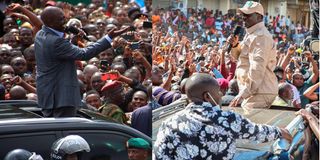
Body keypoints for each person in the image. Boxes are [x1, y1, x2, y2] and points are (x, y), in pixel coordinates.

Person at [154, 73, 292, 160]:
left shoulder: (169, 123)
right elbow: (256, 132)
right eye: (218, 92)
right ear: (207, 96)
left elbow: (160, 156)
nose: (220, 96)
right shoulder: (227, 119)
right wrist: (280, 131)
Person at [34, 6, 129, 117]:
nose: (65, 21)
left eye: (64, 17)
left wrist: (71, 42)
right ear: (50, 23)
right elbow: (84, 54)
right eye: (60, 19)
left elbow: (59, 56)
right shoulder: (55, 41)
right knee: (63, 130)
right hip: (60, 98)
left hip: (49, 95)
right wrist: (108, 37)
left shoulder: (40, 34)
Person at [228, 1, 278, 111]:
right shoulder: (252, 33)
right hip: (255, 90)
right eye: (243, 15)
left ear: (259, 17)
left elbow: (257, 69)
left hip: (258, 91)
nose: (244, 18)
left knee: (245, 124)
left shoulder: (261, 36)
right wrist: (235, 45)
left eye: (248, 15)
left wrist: (244, 93)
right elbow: (240, 58)